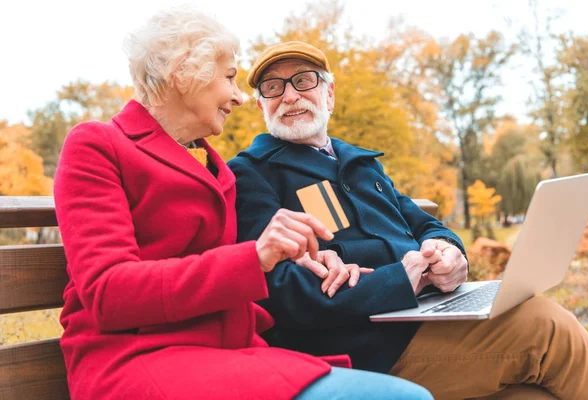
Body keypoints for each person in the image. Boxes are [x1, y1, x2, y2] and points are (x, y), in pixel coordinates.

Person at [52, 7, 433, 400]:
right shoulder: (98, 145)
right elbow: (108, 291)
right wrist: (256, 257)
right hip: (136, 359)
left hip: (227, 353)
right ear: (186, 72)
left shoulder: (214, 167)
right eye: (230, 78)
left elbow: (231, 271)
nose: (237, 96)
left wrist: (302, 259)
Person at [228, 40, 588, 400]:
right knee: (543, 327)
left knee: (532, 394)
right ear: (262, 104)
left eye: (303, 80)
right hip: (365, 349)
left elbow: (422, 223)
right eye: (273, 87)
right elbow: (275, 289)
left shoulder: (361, 164)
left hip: (432, 319)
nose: (289, 96)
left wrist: (449, 251)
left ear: (329, 94)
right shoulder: (250, 174)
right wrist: (398, 281)